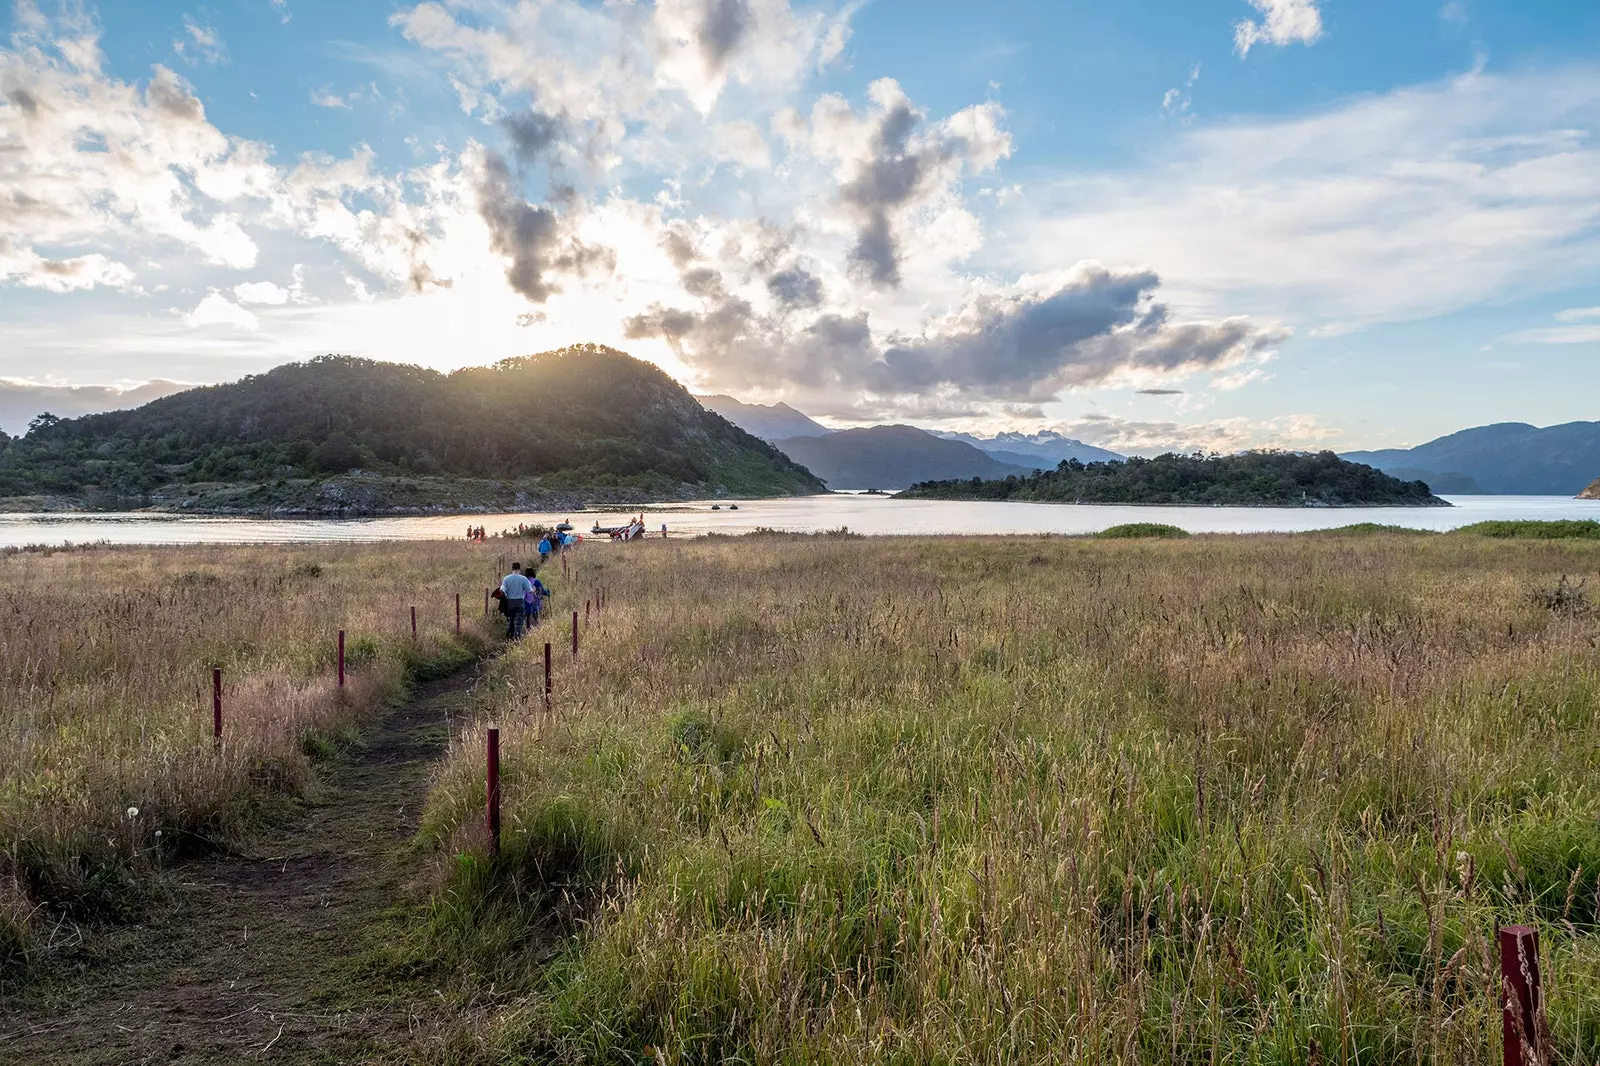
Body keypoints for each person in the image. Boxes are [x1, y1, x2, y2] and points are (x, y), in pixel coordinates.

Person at [500, 561, 533, 639]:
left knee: (510, 621)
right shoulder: (523, 579)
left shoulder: (506, 578)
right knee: (519, 622)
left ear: (512, 569)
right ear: (519, 569)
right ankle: (517, 637)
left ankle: (509, 637)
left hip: (510, 602)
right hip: (519, 602)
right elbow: (529, 591)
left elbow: (502, 589)